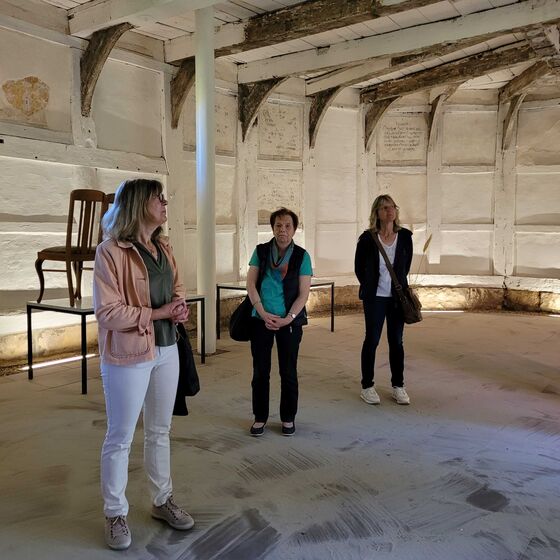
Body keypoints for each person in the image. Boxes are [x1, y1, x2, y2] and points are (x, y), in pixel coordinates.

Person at [93, 179, 194, 551]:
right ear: (138, 205)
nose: (165, 203)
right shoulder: (110, 251)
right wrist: (159, 313)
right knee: (120, 436)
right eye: (158, 198)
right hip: (129, 354)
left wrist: (178, 308)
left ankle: (161, 499)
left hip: (167, 348)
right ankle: (115, 513)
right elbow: (107, 312)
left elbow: (177, 287)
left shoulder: (163, 246)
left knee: (160, 430)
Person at [246, 208, 312, 437]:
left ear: (294, 229)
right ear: (272, 228)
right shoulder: (261, 251)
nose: (282, 230)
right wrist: (262, 313)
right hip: (261, 319)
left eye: (287, 226)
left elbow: (303, 294)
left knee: (288, 371)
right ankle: (260, 417)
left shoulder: (302, 256)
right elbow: (251, 284)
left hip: (289, 322)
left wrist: (288, 319)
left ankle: (288, 417)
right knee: (260, 371)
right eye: (278, 225)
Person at [354, 194, 413, 406]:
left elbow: (406, 266)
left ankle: (398, 386)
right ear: (377, 213)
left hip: (397, 299)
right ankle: (367, 386)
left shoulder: (405, 236)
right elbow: (359, 268)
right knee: (372, 340)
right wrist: (371, 286)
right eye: (385, 208)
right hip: (375, 298)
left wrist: (397, 287)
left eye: (392, 207)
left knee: (396, 341)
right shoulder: (367, 238)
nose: (390, 211)